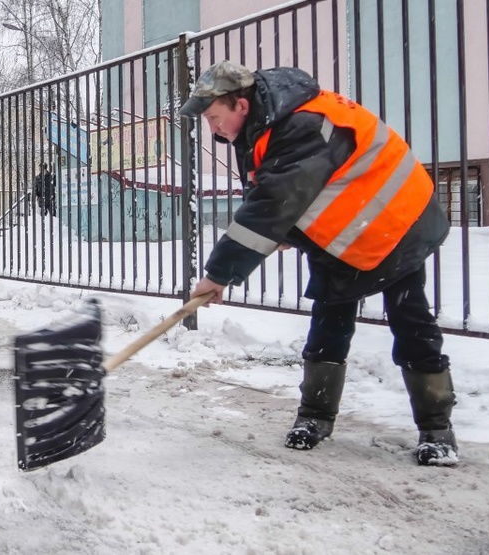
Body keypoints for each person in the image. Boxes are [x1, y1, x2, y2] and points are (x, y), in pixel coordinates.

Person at [181, 61, 457, 467]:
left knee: (410, 320)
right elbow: (290, 194)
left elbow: (274, 203)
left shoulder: (303, 124)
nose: (213, 130)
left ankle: (437, 430)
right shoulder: (264, 126)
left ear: (240, 104)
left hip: (396, 223)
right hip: (345, 235)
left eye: (214, 118)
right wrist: (287, 234)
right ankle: (314, 418)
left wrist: (218, 275)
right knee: (328, 322)